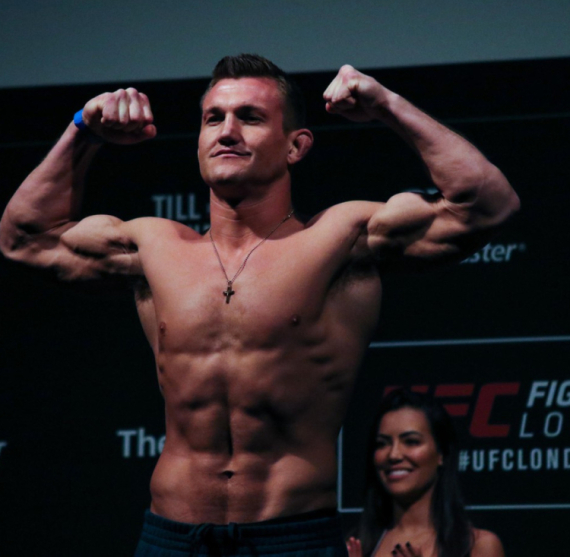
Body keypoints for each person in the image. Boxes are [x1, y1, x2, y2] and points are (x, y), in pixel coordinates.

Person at [0, 54, 519, 556]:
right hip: (172, 538)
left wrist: (387, 105)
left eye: (249, 117)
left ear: (296, 146)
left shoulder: (341, 239)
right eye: (213, 119)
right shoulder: (152, 248)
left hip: (290, 538)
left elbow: (487, 205)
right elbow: (23, 238)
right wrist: (82, 131)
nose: (227, 131)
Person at [346, 389, 505, 557]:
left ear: (441, 453)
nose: (393, 455)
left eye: (411, 442)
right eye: (382, 443)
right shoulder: (354, 547)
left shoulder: (479, 546)